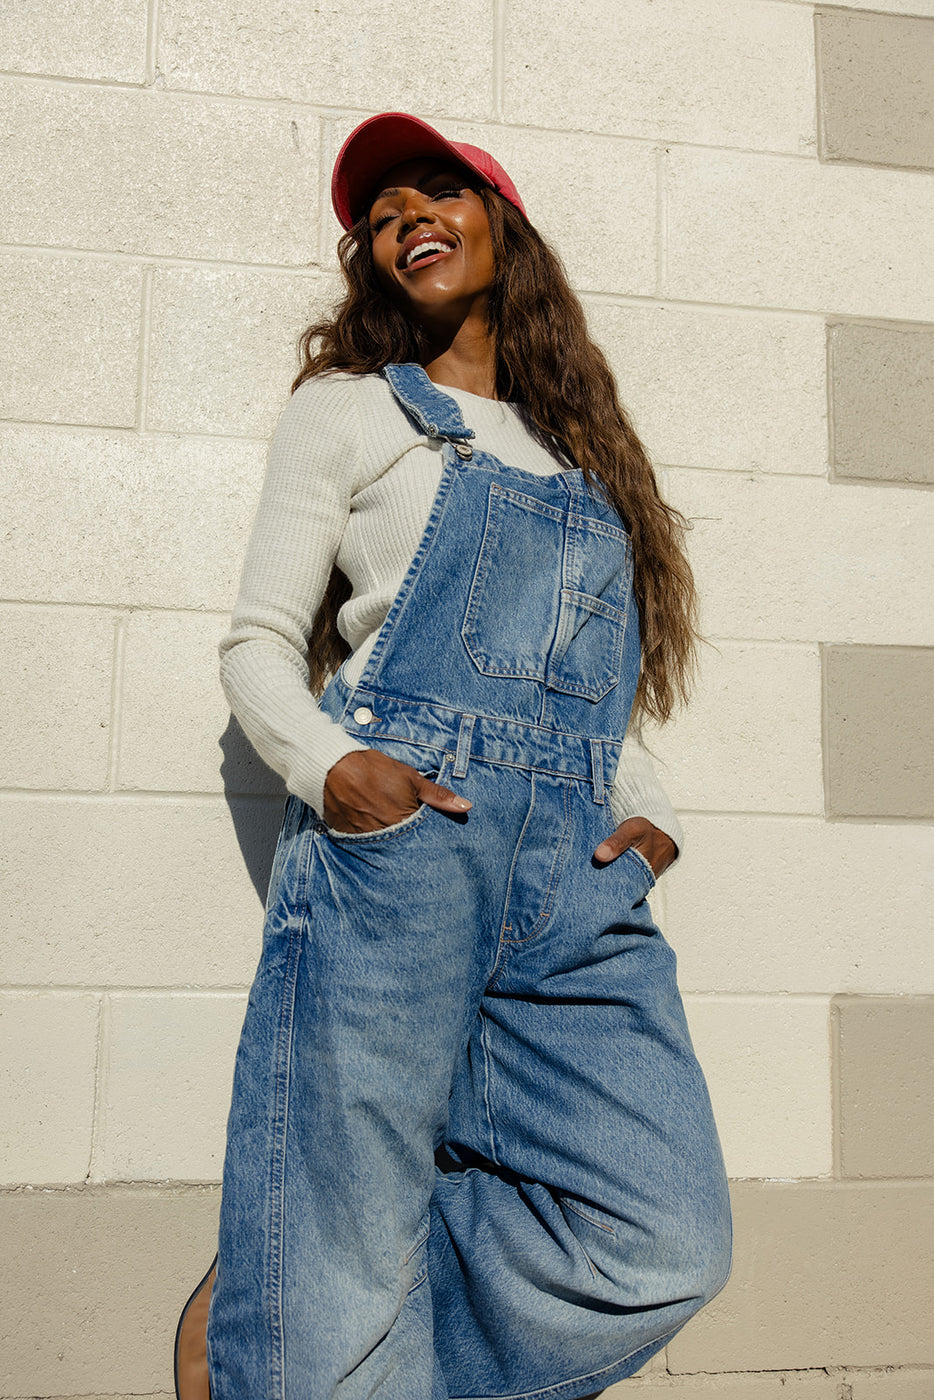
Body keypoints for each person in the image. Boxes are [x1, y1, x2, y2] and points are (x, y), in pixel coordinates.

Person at [179, 112, 731, 1400]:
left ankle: (270, 1311)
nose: (410, 219)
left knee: (664, 1239)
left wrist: (649, 819)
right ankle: (297, 1319)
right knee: (343, 1226)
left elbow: (597, 693)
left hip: (574, 888)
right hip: (407, 850)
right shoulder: (352, 413)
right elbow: (259, 642)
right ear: (373, 263)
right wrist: (338, 773)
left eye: (438, 193)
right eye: (382, 217)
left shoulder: (588, 462)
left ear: (500, 221)